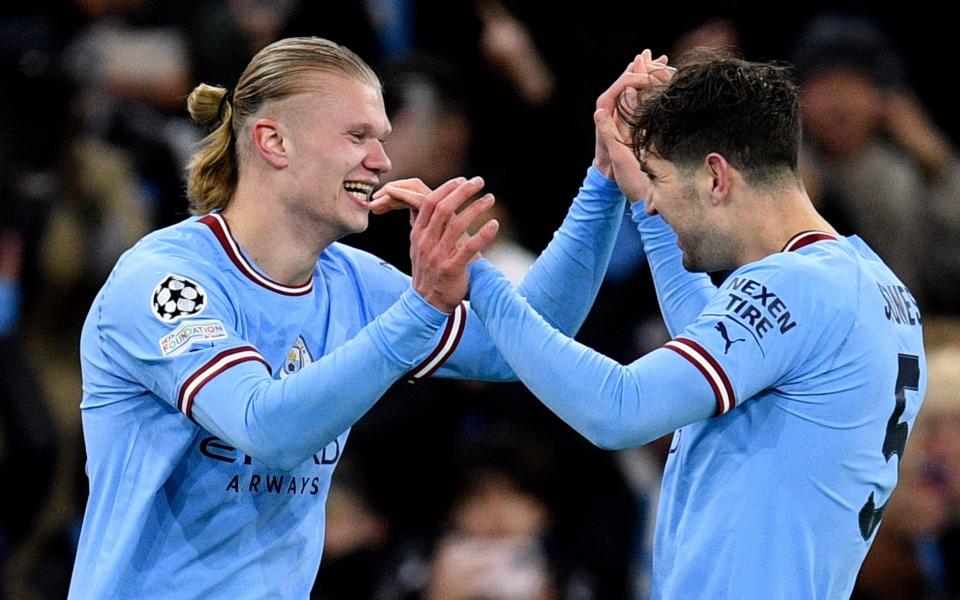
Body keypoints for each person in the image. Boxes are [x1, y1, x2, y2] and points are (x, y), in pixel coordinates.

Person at [69, 36, 632, 598]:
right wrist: (420, 308)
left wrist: (604, 181)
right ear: (273, 141)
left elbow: (520, 344)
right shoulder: (165, 281)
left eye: (382, 139)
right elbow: (266, 428)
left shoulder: (353, 280)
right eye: (357, 136)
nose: (382, 160)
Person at [461, 50, 927, 598]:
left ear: (714, 176)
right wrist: (629, 189)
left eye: (657, 180)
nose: (654, 205)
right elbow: (706, 336)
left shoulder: (799, 286)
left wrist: (479, 280)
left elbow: (620, 409)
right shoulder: (868, 283)